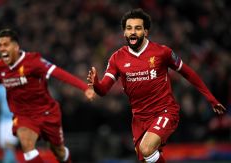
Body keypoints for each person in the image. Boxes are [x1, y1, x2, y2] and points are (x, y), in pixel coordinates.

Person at [87, 8, 226, 163]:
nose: (132, 32)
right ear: (124, 33)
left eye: (137, 28)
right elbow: (104, 89)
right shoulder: (117, 58)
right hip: (139, 118)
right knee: (146, 158)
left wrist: (211, 98)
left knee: (146, 149)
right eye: (129, 28)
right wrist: (96, 84)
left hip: (165, 111)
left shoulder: (162, 52)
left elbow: (188, 73)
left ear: (146, 32)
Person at [0, 28, 95, 163]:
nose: (2, 48)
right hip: (23, 116)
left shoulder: (33, 61)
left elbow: (58, 72)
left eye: (6, 45)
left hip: (46, 112)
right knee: (27, 145)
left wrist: (84, 88)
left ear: (16, 46)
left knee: (59, 152)